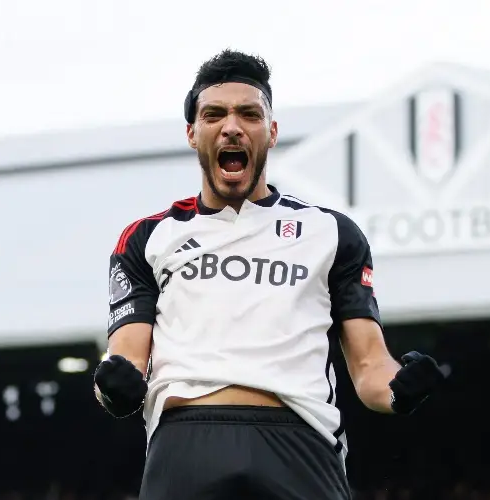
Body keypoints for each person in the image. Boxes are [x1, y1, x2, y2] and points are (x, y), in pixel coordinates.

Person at [94, 49, 444, 499]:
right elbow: (123, 361)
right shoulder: (147, 238)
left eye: (249, 114)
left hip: (298, 442)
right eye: (214, 114)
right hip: (187, 441)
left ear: (272, 131)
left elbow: (369, 364)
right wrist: (113, 388)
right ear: (192, 133)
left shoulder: (332, 233)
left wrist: (399, 389)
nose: (232, 126)